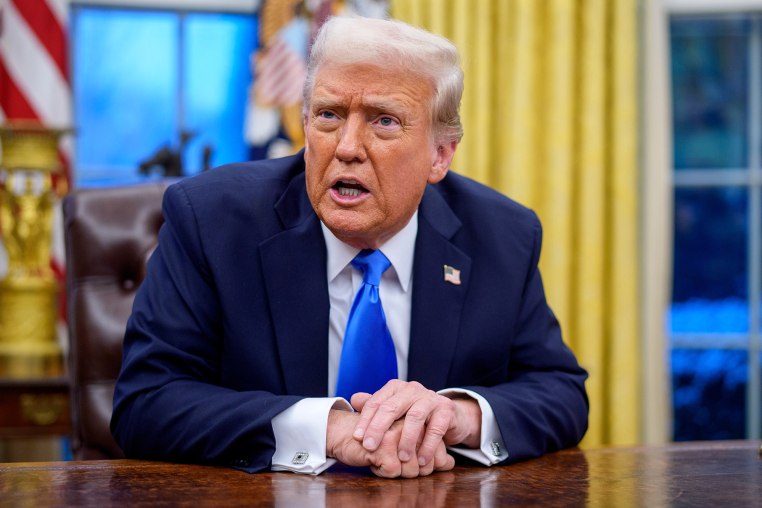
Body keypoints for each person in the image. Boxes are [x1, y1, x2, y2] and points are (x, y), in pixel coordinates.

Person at [111, 15, 588, 479]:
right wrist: (328, 430)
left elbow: (560, 392)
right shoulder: (210, 220)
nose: (347, 147)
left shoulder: (502, 236)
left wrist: (456, 416)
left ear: (440, 154)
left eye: (384, 121)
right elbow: (146, 401)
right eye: (328, 115)